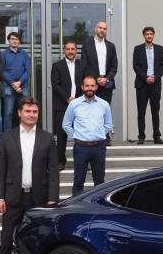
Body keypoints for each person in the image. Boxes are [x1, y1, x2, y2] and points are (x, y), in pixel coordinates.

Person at [0, 97, 59, 254]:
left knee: (39, 243)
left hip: (39, 200)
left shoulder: (47, 138)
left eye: (35, 111)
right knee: (7, 241)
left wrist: (53, 199)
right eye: (28, 111)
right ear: (19, 113)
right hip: (13, 199)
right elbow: (1, 170)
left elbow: (53, 171)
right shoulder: (7, 138)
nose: (31, 115)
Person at [63, 75, 112, 195]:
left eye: (92, 85)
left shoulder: (104, 105)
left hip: (99, 147)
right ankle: (76, 209)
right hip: (81, 148)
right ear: (82, 87)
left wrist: (98, 134)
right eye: (87, 86)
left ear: (96, 87)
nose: (90, 88)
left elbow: (108, 125)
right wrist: (76, 136)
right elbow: (66, 124)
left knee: (100, 182)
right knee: (78, 181)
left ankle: (98, 210)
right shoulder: (74, 104)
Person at [49, 41, 87, 169]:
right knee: (61, 134)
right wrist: (67, 98)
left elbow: (85, 83)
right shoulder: (57, 65)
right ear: (64, 50)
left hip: (80, 105)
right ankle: (60, 161)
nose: (70, 51)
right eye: (68, 49)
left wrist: (78, 100)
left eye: (73, 49)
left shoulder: (82, 65)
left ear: (76, 50)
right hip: (62, 105)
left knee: (81, 134)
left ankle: (82, 161)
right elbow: (56, 84)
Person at [132, 26, 163, 144]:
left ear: (153, 35)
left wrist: (155, 77)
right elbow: (135, 66)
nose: (149, 36)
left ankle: (157, 136)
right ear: (144, 35)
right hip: (142, 84)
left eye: (151, 34)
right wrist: (146, 77)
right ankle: (141, 136)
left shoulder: (160, 49)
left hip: (155, 84)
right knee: (141, 111)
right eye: (147, 34)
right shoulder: (137, 49)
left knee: (155, 111)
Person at [0, 32, 31, 129]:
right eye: (12, 39)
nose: (14, 41)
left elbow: (28, 70)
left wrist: (19, 82)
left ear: (19, 41)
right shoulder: (3, 54)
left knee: (25, 111)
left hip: (23, 84)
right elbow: (2, 70)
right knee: (8, 112)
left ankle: (24, 133)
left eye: (16, 39)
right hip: (8, 84)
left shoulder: (24, 54)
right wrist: (13, 84)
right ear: (8, 41)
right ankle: (7, 136)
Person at [82, 20, 119, 103]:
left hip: (107, 85)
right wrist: (96, 79)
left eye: (104, 29)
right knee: (91, 111)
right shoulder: (87, 44)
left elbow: (114, 66)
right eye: (100, 28)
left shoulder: (111, 46)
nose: (102, 30)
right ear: (95, 29)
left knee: (105, 111)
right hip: (91, 85)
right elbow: (84, 65)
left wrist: (107, 79)